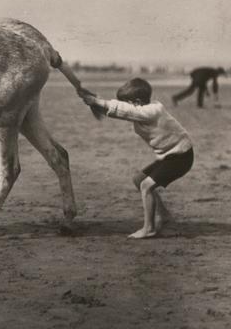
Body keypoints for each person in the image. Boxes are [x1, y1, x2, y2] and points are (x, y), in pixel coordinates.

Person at [79, 78, 194, 239]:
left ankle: (149, 229)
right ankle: (164, 215)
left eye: (127, 103)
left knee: (146, 186)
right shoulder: (141, 111)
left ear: (138, 102)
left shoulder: (153, 110)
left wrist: (97, 100)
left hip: (181, 157)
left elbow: (126, 111)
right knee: (139, 180)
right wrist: (94, 103)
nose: (125, 106)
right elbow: (122, 112)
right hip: (169, 156)